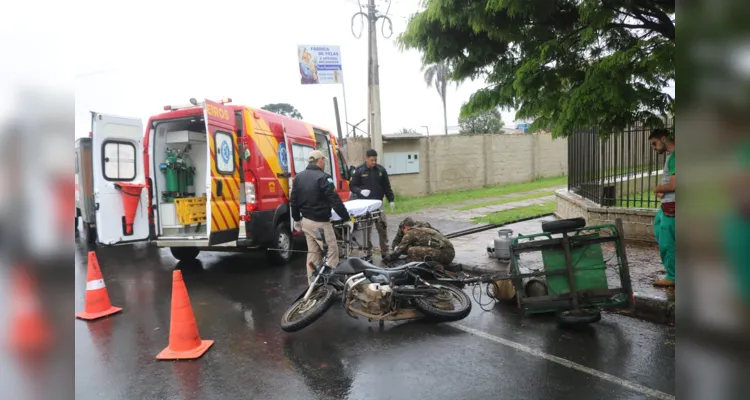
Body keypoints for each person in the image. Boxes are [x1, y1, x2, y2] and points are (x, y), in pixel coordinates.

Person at [289, 150, 353, 281]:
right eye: (324, 160)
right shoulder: (324, 177)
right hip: (321, 222)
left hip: (306, 221)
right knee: (332, 251)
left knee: (313, 253)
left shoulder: (298, 178)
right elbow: (334, 200)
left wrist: (296, 219)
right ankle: (331, 282)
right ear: (320, 161)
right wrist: (346, 218)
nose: (325, 163)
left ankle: (312, 282)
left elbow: (293, 201)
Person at [349, 149, 395, 255]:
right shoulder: (359, 170)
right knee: (366, 229)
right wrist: (360, 191)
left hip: (378, 203)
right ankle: (367, 251)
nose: (374, 162)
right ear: (366, 159)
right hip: (365, 206)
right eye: (371, 160)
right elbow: (352, 186)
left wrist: (391, 199)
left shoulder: (380, 170)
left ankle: (385, 251)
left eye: (375, 160)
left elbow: (386, 186)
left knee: (382, 226)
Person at [650, 128, 675, 287]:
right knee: (658, 228)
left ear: (664, 138)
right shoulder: (671, 156)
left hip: (672, 208)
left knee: (667, 243)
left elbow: (674, 185)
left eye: (654, 143)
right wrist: (662, 194)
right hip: (666, 205)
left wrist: (658, 189)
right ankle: (670, 267)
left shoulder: (676, 157)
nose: (653, 147)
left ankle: (672, 277)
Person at [384, 224, 455, 267]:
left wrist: (389, 257)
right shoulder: (421, 229)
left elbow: (400, 249)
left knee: (411, 250)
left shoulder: (410, 232)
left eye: (402, 230)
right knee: (415, 249)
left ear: (405, 227)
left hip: (445, 255)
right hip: (449, 253)